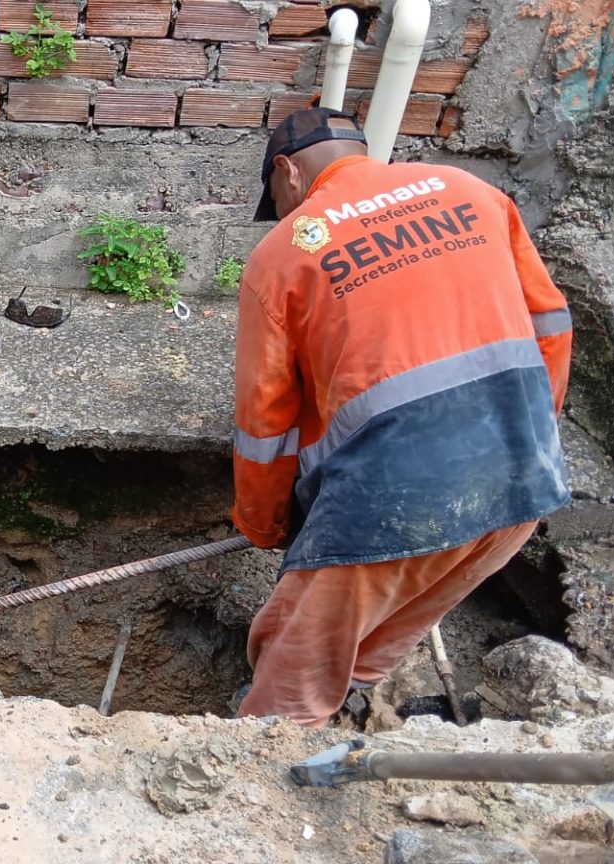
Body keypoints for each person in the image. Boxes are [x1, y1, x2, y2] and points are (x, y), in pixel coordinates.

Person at [230, 108, 573, 726]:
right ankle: (355, 698)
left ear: (286, 172)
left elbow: (266, 424)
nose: (283, 212)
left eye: (277, 199)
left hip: (393, 503)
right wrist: (527, 434)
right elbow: (551, 326)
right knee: (379, 635)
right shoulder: (472, 192)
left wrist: (265, 527)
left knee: (288, 674)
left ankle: (260, 773)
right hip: (525, 482)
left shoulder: (283, 253)